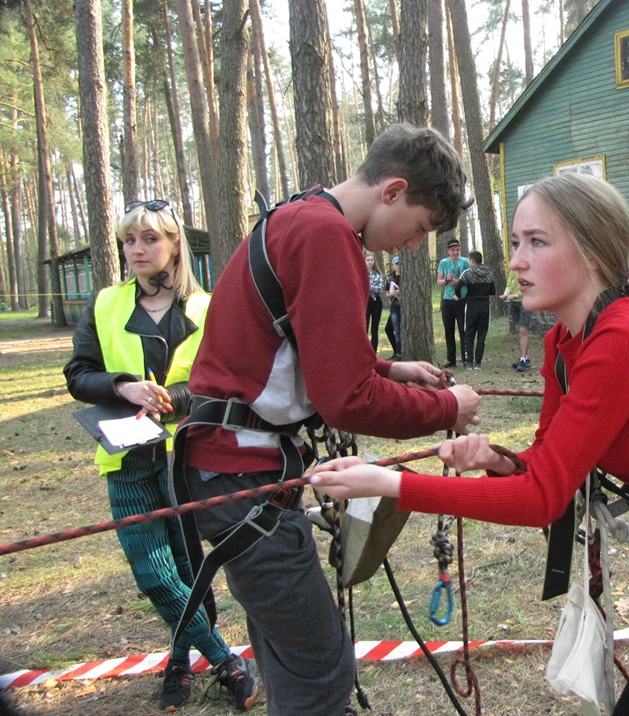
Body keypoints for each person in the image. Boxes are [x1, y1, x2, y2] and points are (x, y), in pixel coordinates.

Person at [311, 173, 629, 716]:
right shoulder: (564, 341)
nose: (516, 263)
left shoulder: (623, 338)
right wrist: (497, 460)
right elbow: (547, 466)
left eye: (537, 241)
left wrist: (392, 485)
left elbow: (542, 500)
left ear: (592, 251)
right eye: (515, 243)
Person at [177, 123, 481, 716]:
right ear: (392, 191)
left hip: (233, 473)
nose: (413, 246)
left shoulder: (300, 215)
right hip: (242, 478)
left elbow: (294, 347)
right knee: (320, 670)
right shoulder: (325, 235)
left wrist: (390, 370)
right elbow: (345, 399)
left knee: (291, 654)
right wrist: (449, 406)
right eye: (420, 228)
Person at [63, 199, 257, 713]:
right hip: (125, 461)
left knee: (192, 569)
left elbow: (225, 379)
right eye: (129, 240)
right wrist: (123, 387)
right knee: (152, 573)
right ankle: (224, 659)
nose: (137, 250)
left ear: (174, 244)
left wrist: (177, 399)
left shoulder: (208, 307)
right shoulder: (105, 303)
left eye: (149, 238)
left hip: (188, 456)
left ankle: (178, 659)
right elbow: (78, 374)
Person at [459, 250, 496, 369]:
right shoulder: (489, 272)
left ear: (472, 261)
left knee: (469, 333)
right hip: (484, 304)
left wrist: (459, 296)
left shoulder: (468, 273)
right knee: (482, 335)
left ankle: (469, 362)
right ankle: (478, 363)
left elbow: (458, 286)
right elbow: (493, 291)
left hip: (471, 305)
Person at [436, 237, 470, 367]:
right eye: (453, 250)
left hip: (462, 299)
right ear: (448, 251)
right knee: (449, 330)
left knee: (463, 329)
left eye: (457, 250)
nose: (455, 252)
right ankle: (451, 359)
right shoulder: (443, 263)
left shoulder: (465, 262)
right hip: (447, 300)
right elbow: (438, 282)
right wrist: (446, 280)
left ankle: (466, 357)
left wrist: (459, 282)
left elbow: (470, 279)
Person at [500, 269, 532, 371]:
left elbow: (526, 286)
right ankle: (525, 358)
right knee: (518, 329)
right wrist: (506, 294)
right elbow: (509, 284)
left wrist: (516, 295)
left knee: (523, 330)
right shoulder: (513, 271)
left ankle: (522, 360)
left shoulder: (527, 271)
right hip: (514, 303)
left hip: (524, 301)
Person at [365, 252, 385, 352]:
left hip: (377, 302)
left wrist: (369, 288)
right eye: (368, 260)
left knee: (374, 328)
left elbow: (380, 289)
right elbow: (362, 287)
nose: (370, 262)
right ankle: (364, 350)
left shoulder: (378, 274)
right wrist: (369, 288)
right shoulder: (362, 274)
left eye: (371, 260)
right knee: (365, 327)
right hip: (366, 302)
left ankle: (374, 351)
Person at [384, 254, 402, 360]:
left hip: (401, 306)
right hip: (394, 305)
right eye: (396, 264)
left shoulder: (405, 277)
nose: (398, 266)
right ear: (393, 265)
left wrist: (400, 292)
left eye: (400, 264)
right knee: (388, 329)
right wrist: (393, 293)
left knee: (398, 330)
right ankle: (396, 350)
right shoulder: (391, 278)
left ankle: (399, 354)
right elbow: (386, 294)